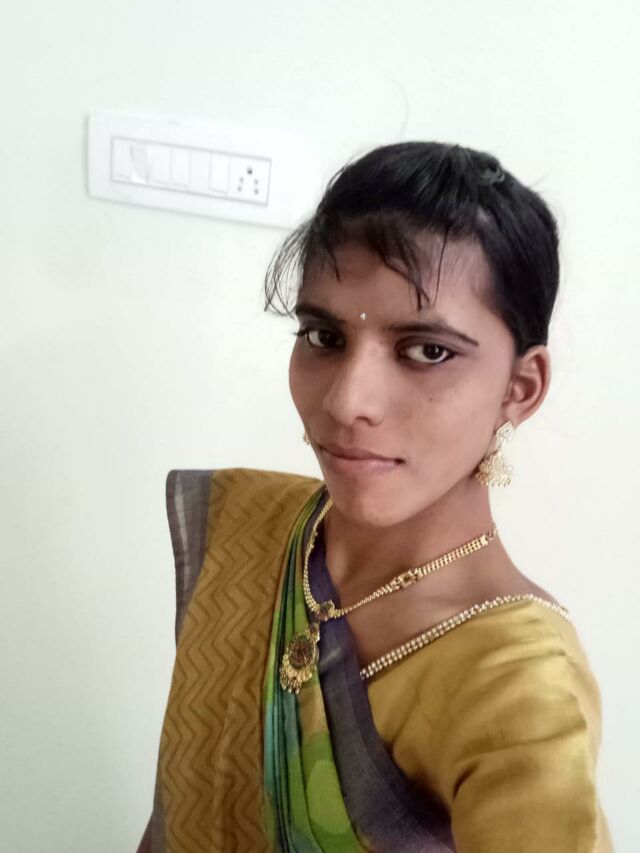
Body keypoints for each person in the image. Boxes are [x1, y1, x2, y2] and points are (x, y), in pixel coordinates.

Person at [137, 142, 613, 852]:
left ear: (520, 388)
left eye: (427, 350)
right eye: (323, 336)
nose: (346, 401)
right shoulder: (254, 527)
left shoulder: (517, 685)